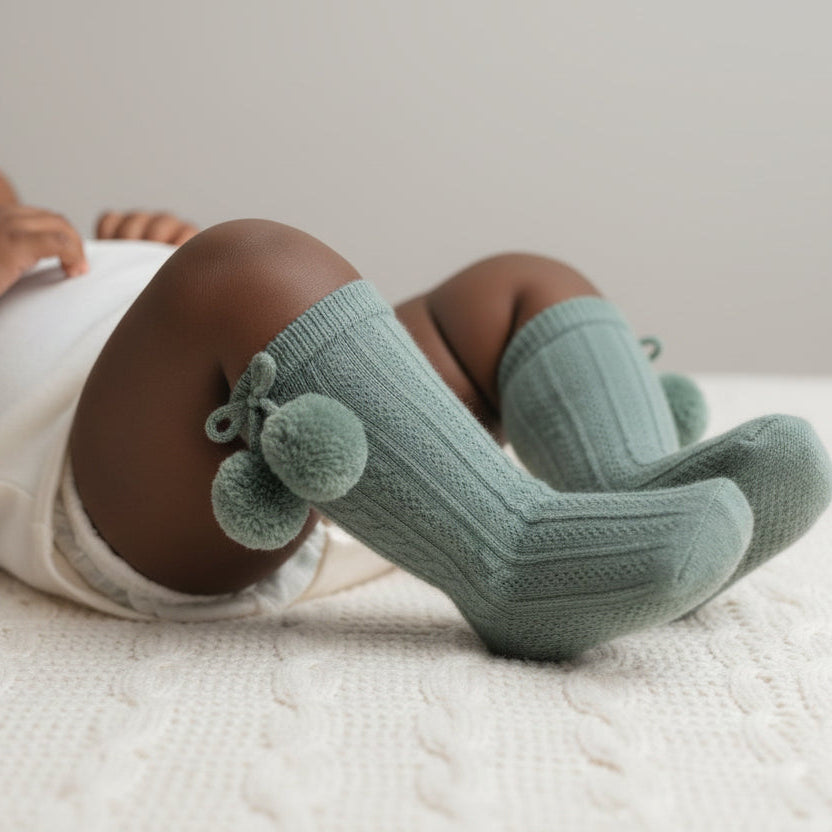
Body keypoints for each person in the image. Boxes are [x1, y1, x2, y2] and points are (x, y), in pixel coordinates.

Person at [0, 167, 829, 661]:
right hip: (132, 493)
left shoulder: (44, 245)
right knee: (249, 260)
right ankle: (513, 556)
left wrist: (152, 255)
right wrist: (211, 283)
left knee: (515, 286)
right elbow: (224, 293)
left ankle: (626, 485)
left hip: (303, 418)